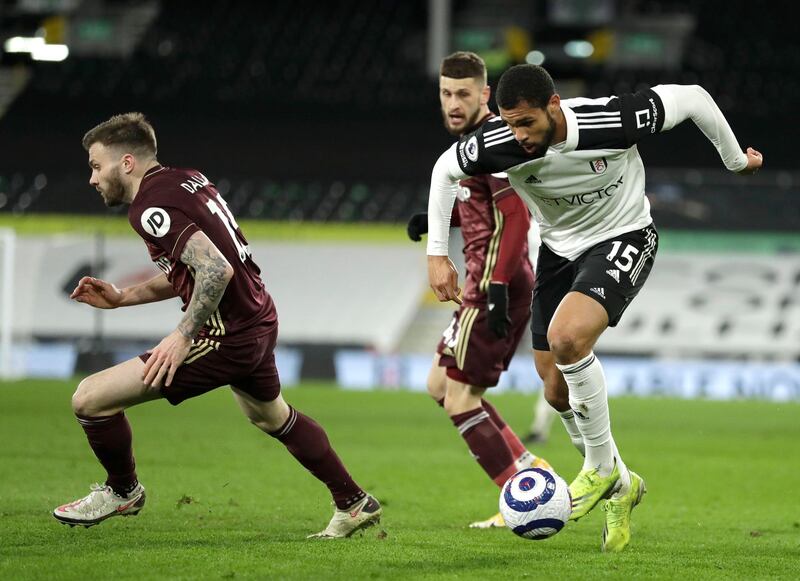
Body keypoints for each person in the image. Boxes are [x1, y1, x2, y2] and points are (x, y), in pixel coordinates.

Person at [425, 65, 762, 552]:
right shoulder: (499, 142)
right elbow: (445, 169)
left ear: (555, 106)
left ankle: (599, 470)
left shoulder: (612, 121)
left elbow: (691, 98)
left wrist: (734, 161)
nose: (518, 137)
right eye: (510, 124)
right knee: (555, 389)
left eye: (528, 124)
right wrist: (438, 253)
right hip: (560, 252)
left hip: (624, 235)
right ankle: (623, 486)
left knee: (568, 338)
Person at [53, 112, 381, 539]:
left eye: (97, 166)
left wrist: (182, 335)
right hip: (258, 317)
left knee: (89, 399)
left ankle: (122, 491)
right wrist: (124, 296)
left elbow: (215, 270)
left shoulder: (150, 206)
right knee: (271, 416)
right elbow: (191, 269)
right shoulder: (188, 179)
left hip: (224, 334)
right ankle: (354, 502)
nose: (92, 179)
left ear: (127, 162)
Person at [406, 51, 550, 529]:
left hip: (496, 281)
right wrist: (433, 221)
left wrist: (499, 287)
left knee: (460, 399)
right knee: (438, 386)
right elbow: (478, 204)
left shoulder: (494, 142)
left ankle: (521, 497)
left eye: (463, 94)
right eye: (446, 93)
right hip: (486, 282)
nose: (452, 102)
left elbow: (515, 217)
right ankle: (532, 469)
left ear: (485, 94)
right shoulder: (470, 143)